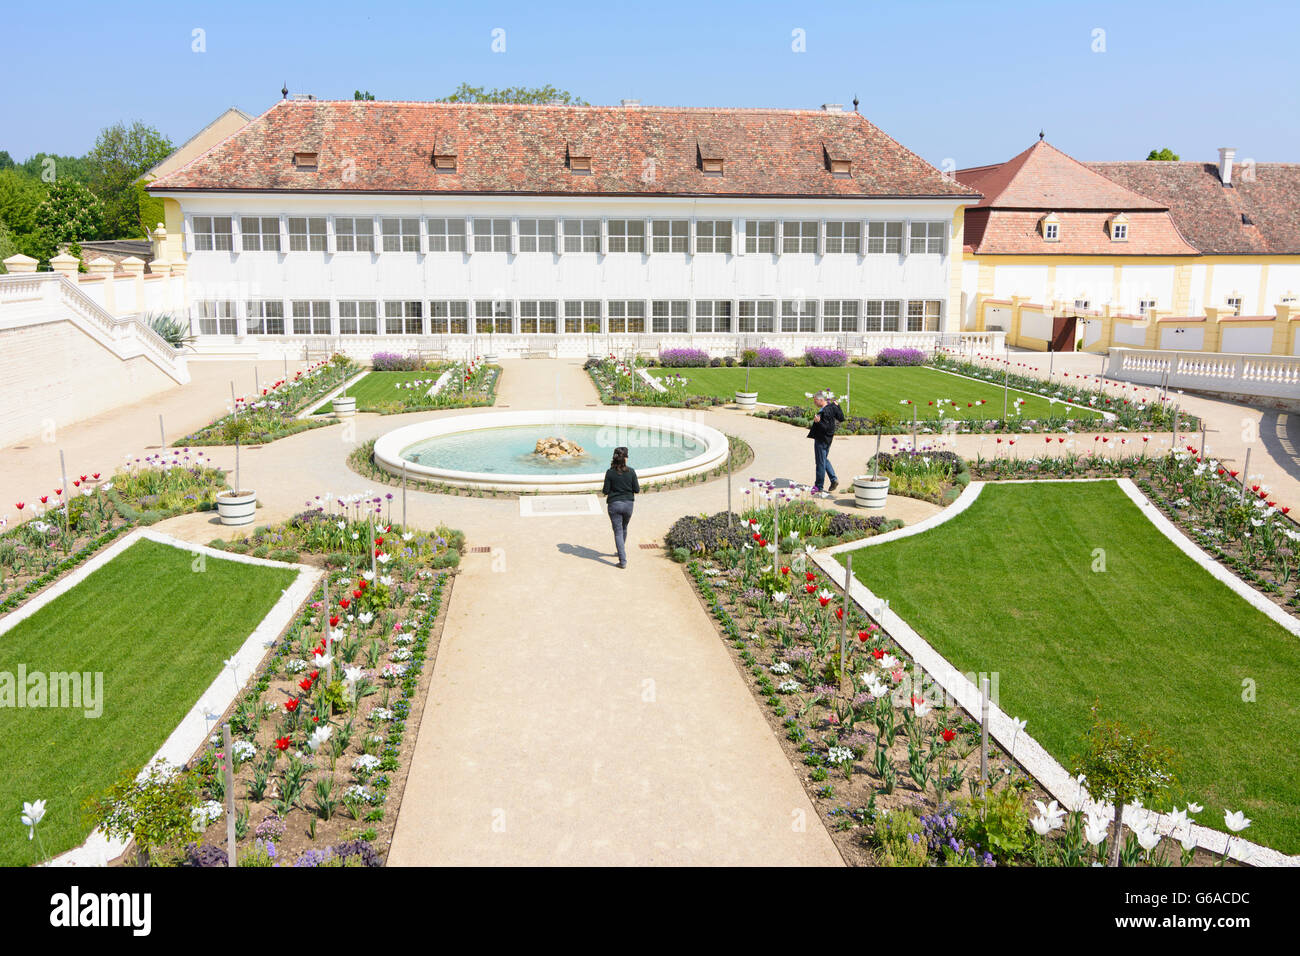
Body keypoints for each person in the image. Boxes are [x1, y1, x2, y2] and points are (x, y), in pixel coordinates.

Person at [602, 445, 640, 568]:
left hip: (614, 505)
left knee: (618, 532)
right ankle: (621, 551)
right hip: (628, 505)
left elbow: (606, 491)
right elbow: (637, 490)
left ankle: (622, 561)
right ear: (625, 459)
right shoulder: (632, 471)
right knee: (624, 528)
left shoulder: (610, 472)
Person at [807, 391, 845, 492]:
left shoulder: (824, 412)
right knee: (824, 459)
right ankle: (833, 479)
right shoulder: (832, 407)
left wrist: (818, 422)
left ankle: (819, 486)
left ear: (821, 400)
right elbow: (841, 418)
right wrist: (838, 406)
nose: (815, 403)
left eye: (815, 401)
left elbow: (825, 428)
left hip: (821, 439)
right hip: (828, 440)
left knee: (820, 462)